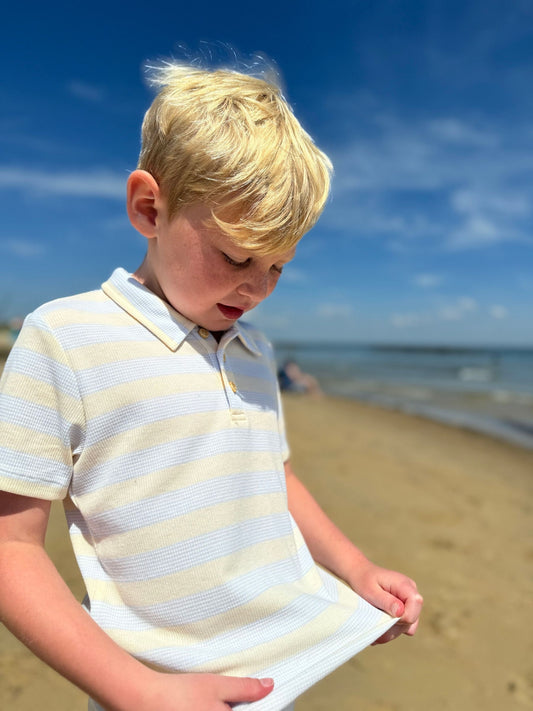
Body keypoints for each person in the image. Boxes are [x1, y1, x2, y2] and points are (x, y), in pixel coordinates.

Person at [0, 60, 422, 711]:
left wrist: (356, 567)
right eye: (235, 256)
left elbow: (272, 477)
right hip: (147, 688)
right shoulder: (66, 338)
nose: (256, 288)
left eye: (278, 266)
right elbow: (10, 548)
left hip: (271, 677)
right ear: (150, 207)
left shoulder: (255, 350)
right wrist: (136, 689)